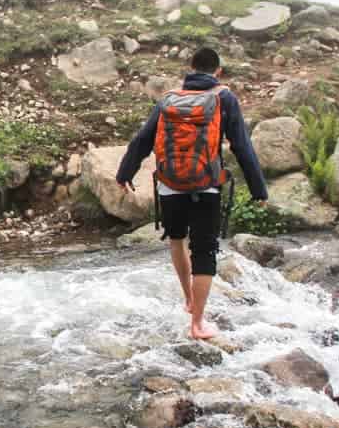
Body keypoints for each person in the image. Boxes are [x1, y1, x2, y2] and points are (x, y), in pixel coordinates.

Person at [115, 47, 268, 340]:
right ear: (218, 71)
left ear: (190, 67)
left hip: (169, 185)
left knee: (176, 239)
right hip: (206, 186)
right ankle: (197, 323)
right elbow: (242, 146)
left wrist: (125, 174)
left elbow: (142, 140)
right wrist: (258, 188)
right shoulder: (224, 98)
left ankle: (188, 299)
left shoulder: (169, 99)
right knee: (204, 251)